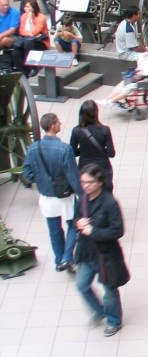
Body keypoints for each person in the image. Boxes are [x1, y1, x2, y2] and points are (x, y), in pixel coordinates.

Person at [22, 113, 82, 272]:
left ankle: (59, 260)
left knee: (54, 230)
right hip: (65, 195)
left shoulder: (34, 148)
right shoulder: (64, 149)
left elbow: (27, 173)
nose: (60, 123)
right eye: (58, 121)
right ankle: (67, 258)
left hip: (46, 195)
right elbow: (72, 175)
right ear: (54, 125)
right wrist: (82, 195)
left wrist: (41, 179)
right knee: (73, 224)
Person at [73, 165, 126, 336]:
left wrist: (93, 231)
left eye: (89, 182)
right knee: (82, 285)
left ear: (100, 183)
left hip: (105, 254)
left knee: (109, 289)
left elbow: (118, 230)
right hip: (87, 252)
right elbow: (75, 219)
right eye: (83, 182)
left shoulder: (109, 203)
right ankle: (99, 310)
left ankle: (113, 320)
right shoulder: (82, 200)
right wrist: (78, 223)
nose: (85, 186)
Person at [100, 40, 148, 105]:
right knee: (123, 83)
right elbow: (143, 64)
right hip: (144, 76)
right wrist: (143, 57)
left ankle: (110, 101)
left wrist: (142, 74)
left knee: (128, 87)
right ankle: (106, 99)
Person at [70, 100, 117, 192]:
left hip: (85, 168)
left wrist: (83, 149)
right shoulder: (105, 130)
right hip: (103, 167)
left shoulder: (76, 131)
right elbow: (111, 153)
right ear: (96, 113)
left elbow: (73, 152)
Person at [14, 0, 49, 75]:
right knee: (16, 51)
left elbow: (35, 31)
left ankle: (33, 67)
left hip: (40, 42)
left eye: (27, 7)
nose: (25, 8)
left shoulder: (41, 17)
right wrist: (30, 34)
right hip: (27, 39)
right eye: (25, 7)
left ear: (33, 8)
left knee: (28, 43)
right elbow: (21, 31)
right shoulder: (23, 16)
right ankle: (23, 71)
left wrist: (30, 20)